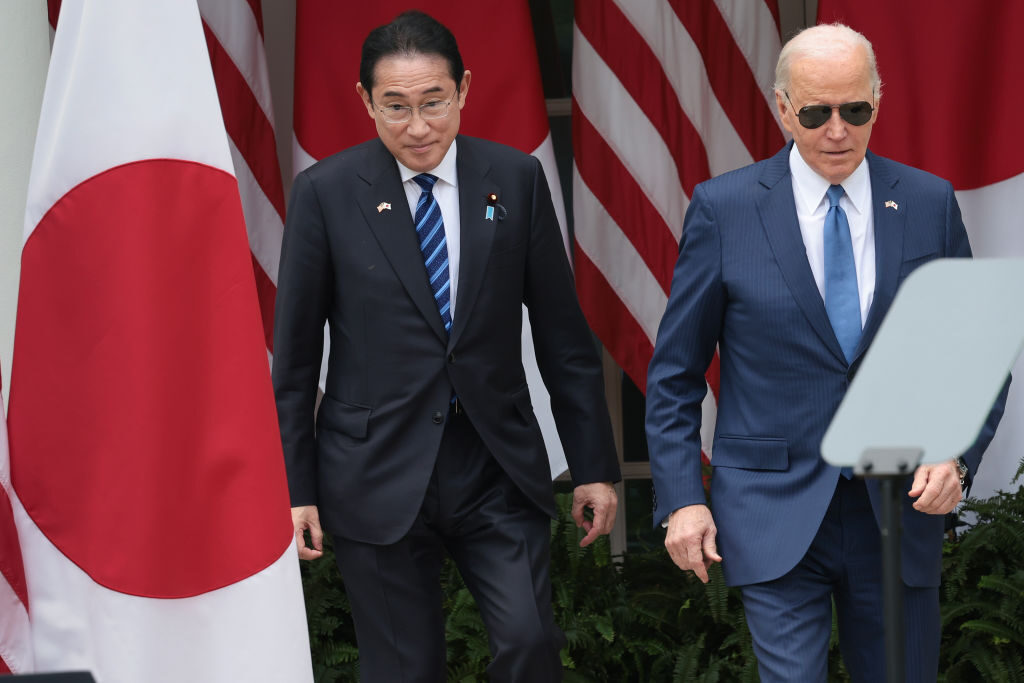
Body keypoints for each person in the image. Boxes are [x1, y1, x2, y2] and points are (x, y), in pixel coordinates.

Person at [645, 23, 1008, 683]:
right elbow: (674, 374)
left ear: (878, 100)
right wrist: (681, 497)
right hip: (771, 505)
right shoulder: (723, 210)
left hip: (897, 508)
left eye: (855, 110)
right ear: (784, 108)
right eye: (815, 112)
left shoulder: (926, 202)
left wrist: (955, 453)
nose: (836, 129)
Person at [272, 10, 620, 683]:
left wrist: (595, 465)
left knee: (530, 642)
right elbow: (293, 362)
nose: (419, 125)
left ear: (463, 89)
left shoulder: (513, 179)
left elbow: (562, 337)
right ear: (365, 102)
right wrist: (297, 487)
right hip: (375, 468)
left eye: (434, 101)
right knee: (405, 668)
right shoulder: (326, 194)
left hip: (494, 464)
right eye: (396, 107)